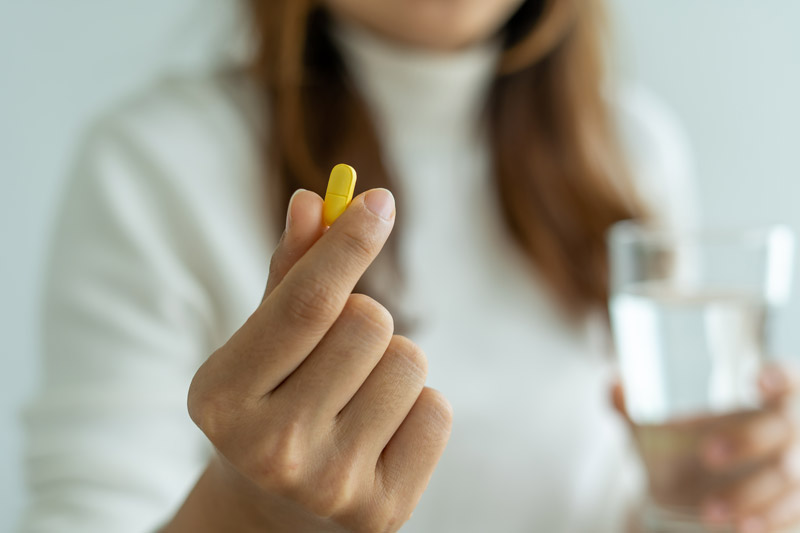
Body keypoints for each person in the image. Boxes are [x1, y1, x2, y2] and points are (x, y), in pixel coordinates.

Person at [21, 0, 800, 532]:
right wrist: (246, 511)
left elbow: (605, 502)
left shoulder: (632, 150)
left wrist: (686, 505)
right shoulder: (155, 165)